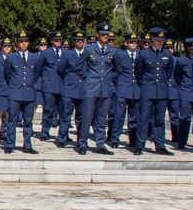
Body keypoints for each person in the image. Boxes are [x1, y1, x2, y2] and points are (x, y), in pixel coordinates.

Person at [133, 27, 175, 156]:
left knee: (159, 119)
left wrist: (162, 83)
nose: (159, 43)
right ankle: (139, 145)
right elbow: (138, 72)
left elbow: (169, 72)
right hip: (147, 89)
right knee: (143, 118)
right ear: (152, 40)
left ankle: (160, 145)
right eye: (157, 40)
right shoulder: (144, 54)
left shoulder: (167, 54)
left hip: (161, 90)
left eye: (161, 41)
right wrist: (145, 84)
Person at [79, 23, 118, 155]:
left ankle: (100, 144)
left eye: (107, 35)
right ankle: (82, 143)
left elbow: (117, 69)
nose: (105, 36)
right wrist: (89, 78)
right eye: (102, 34)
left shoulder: (113, 51)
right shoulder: (89, 49)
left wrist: (108, 78)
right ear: (97, 35)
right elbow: (80, 67)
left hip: (105, 88)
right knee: (87, 117)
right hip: (91, 88)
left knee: (101, 119)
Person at [2, 30, 42, 154]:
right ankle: (9, 144)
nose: (23, 43)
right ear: (17, 43)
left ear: (28, 43)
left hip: (29, 93)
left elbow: (36, 74)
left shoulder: (35, 57)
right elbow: (7, 74)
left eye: (25, 41)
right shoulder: (12, 57)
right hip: (15, 93)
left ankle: (27, 145)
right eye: (21, 41)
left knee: (28, 121)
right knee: (12, 120)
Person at [56, 30, 87, 151]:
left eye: (82, 40)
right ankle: (61, 138)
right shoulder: (67, 54)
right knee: (65, 115)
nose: (80, 42)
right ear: (74, 42)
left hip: (83, 88)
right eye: (78, 40)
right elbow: (60, 69)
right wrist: (69, 79)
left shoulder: (87, 54)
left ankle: (81, 139)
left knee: (81, 117)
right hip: (69, 87)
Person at [110, 33, 141, 149]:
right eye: (131, 42)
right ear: (126, 43)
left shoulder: (140, 54)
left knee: (134, 116)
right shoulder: (120, 55)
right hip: (123, 88)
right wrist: (119, 84)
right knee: (119, 115)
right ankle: (114, 138)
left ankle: (133, 139)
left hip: (136, 89)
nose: (134, 44)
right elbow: (115, 71)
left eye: (135, 42)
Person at [36, 31, 65, 141]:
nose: (58, 42)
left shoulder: (66, 52)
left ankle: (62, 134)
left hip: (62, 86)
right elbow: (39, 68)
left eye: (60, 40)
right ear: (52, 41)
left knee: (63, 112)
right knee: (48, 109)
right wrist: (44, 79)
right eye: (56, 40)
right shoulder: (46, 53)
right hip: (49, 85)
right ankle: (45, 132)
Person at [173, 38, 193, 149]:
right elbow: (177, 77)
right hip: (186, 93)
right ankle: (182, 141)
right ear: (188, 49)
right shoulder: (182, 61)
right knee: (185, 118)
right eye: (192, 49)